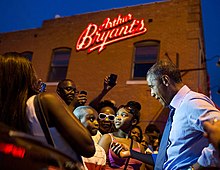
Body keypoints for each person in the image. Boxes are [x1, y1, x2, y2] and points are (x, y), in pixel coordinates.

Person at [0, 53, 95, 165]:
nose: (37, 77)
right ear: (25, 77)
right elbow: (88, 147)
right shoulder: (45, 101)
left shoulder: (8, 112)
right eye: (32, 72)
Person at [146, 58, 220, 169]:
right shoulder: (178, 109)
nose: (152, 93)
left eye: (152, 87)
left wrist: (198, 166)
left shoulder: (192, 103)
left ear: (165, 80)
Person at [98, 101, 144, 170]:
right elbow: (97, 163)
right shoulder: (108, 138)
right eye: (117, 115)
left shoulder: (140, 147)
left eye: (123, 115)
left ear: (133, 121)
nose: (118, 118)